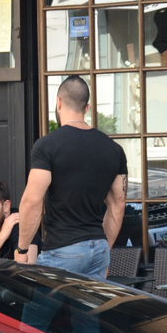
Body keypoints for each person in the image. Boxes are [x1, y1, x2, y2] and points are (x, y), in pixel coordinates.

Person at [15, 75, 127, 279]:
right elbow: (118, 203)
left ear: (58, 102)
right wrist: (104, 249)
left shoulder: (47, 146)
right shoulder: (114, 149)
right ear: (87, 107)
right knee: (86, 312)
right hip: (99, 248)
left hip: (63, 249)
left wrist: (22, 249)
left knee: (34, 311)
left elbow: (32, 201)